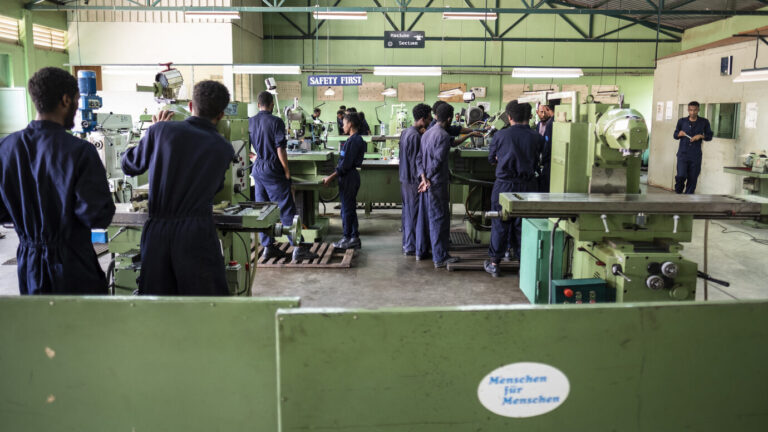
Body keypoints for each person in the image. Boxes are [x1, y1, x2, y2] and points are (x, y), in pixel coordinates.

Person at [0, 67, 115, 295]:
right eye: (76, 100)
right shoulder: (80, 151)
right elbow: (97, 215)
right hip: (74, 264)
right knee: (82, 328)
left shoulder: (7, 148)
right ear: (65, 100)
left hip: (30, 266)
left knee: (43, 327)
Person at [121, 81, 234, 295]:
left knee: (158, 304)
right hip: (197, 234)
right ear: (221, 115)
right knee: (205, 303)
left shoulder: (161, 130)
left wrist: (152, 133)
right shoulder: (223, 147)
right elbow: (217, 187)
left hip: (158, 234)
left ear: (191, 106)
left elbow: (129, 165)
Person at [249, 91, 317, 261]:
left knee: (263, 209)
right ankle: (298, 247)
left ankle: (268, 246)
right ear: (272, 104)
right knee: (287, 209)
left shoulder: (251, 121)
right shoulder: (276, 121)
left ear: (258, 105)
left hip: (257, 169)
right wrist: (286, 170)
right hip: (273, 169)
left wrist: (257, 157)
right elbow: (280, 148)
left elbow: (246, 146)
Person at [484, 101, 544, 277]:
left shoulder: (500, 136)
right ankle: (523, 262)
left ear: (509, 117)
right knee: (523, 224)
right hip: (528, 186)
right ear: (529, 117)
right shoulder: (537, 137)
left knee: (500, 223)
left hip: (504, 184)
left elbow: (491, 159)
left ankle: (495, 263)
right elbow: (540, 159)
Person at [419, 103, 465, 269]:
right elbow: (437, 162)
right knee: (440, 219)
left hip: (428, 182)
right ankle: (440, 257)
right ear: (450, 118)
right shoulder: (444, 136)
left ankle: (437, 252)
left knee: (432, 218)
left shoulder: (426, 133)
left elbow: (419, 158)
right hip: (436, 183)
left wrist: (423, 178)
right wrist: (429, 178)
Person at [323, 113, 366, 249]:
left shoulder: (355, 141)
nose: (342, 126)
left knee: (347, 210)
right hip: (347, 176)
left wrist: (331, 177)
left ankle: (347, 238)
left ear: (351, 124)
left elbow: (345, 165)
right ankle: (354, 237)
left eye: (344, 123)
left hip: (349, 177)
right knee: (349, 208)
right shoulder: (351, 139)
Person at [399, 103, 432, 257]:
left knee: (407, 212)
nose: (431, 120)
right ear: (423, 119)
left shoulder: (406, 132)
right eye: (429, 118)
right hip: (413, 181)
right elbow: (416, 162)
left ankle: (407, 243)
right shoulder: (416, 137)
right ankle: (412, 246)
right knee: (414, 214)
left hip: (405, 179)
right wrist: (423, 179)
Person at [674, 101, 713, 194]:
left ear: (698, 110)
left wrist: (701, 136)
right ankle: (678, 194)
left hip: (695, 156)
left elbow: (709, 136)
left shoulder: (704, 122)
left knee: (693, 179)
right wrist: (679, 134)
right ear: (688, 110)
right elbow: (675, 135)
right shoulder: (682, 121)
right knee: (681, 175)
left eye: (695, 110)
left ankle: (688, 201)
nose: (692, 112)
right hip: (683, 155)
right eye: (690, 110)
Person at [536, 102, 554, 192]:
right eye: (541, 112)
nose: (543, 115)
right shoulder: (538, 125)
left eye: (544, 112)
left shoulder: (551, 124)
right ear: (537, 112)